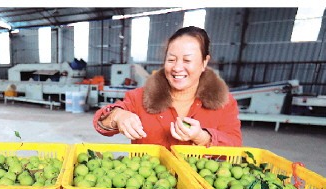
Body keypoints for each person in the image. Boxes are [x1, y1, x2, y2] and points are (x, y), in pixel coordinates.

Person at [93, 26, 242, 148]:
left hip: (198, 183)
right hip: (149, 184)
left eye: (187, 60)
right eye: (171, 59)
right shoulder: (140, 98)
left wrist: (202, 137)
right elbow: (100, 123)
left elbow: (235, 145)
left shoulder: (225, 103)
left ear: (204, 62)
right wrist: (118, 116)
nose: (177, 67)